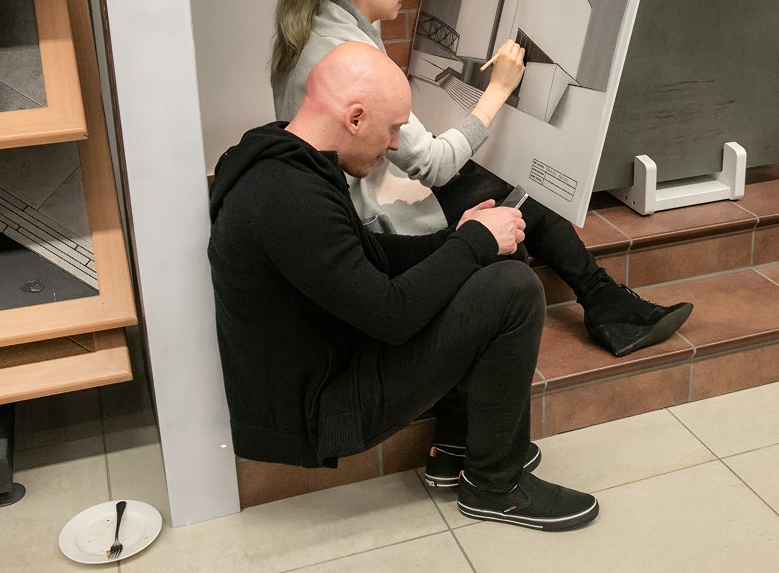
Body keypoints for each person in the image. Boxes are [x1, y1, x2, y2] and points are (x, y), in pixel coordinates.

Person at [270, 0, 693, 361]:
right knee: (512, 188)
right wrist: (498, 90)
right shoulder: (346, 48)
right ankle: (603, 302)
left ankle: (603, 300)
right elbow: (434, 166)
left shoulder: (320, 18)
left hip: (355, 194)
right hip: (368, 217)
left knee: (498, 183)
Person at [208, 42, 599, 531]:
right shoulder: (288, 200)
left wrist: (457, 239)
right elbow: (391, 316)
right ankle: (496, 486)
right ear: (355, 118)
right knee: (513, 288)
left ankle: (459, 446)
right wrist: (473, 244)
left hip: (335, 361)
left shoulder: (285, 159)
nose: (395, 145)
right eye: (392, 128)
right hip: (322, 410)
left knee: (495, 261)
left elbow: (365, 257)